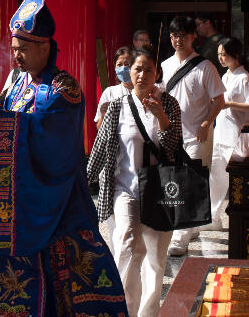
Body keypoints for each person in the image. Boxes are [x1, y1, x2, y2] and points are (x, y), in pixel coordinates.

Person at [0, 0, 128, 317]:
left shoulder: (63, 88)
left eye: (23, 49)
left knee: (71, 281)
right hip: (20, 210)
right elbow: (0, 115)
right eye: (14, 48)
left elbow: (53, 138)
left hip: (61, 207)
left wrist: (1, 124)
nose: (17, 56)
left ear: (45, 47)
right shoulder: (14, 86)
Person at [87, 47, 182, 317]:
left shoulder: (170, 104)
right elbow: (100, 147)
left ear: (157, 74)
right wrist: (83, 182)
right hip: (125, 188)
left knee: (155, 257)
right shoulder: (118, 105)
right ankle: (123, 309)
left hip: (161, 190)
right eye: (137, 69)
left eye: (148, 70)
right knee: (128, 245)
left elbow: (173, 147)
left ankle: (147, 312)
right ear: (130, 72)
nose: (142, 75)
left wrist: (161, 116)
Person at [161, 15, 225, 256]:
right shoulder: (166, 65)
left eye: (183, 36)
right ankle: (189, 225)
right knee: (175, 182)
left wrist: (207, 122)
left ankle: (180, 236)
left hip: (197, 134)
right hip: (172, 134)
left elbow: (218, 99)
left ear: (193, 38)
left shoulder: (205, 67)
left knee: (191, 182)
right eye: (174, 36)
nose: (178, 40)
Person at [208, 37, 249, 230]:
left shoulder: (244, 78)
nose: (221, 58)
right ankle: (212, 217)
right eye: (219, 55)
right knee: (216, 176)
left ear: (235, 55)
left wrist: (228, 104)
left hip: (236, 134)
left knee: (234, 178)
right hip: (221, 132)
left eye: (224, 54)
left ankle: (238, 219)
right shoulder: (225, 76)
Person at [95, 46, 134, 130]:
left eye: (127, 64)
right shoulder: (109, 92)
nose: (123, 68)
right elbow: (99, 129)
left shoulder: (144, 90)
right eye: (119, 65)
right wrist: (103, 115)